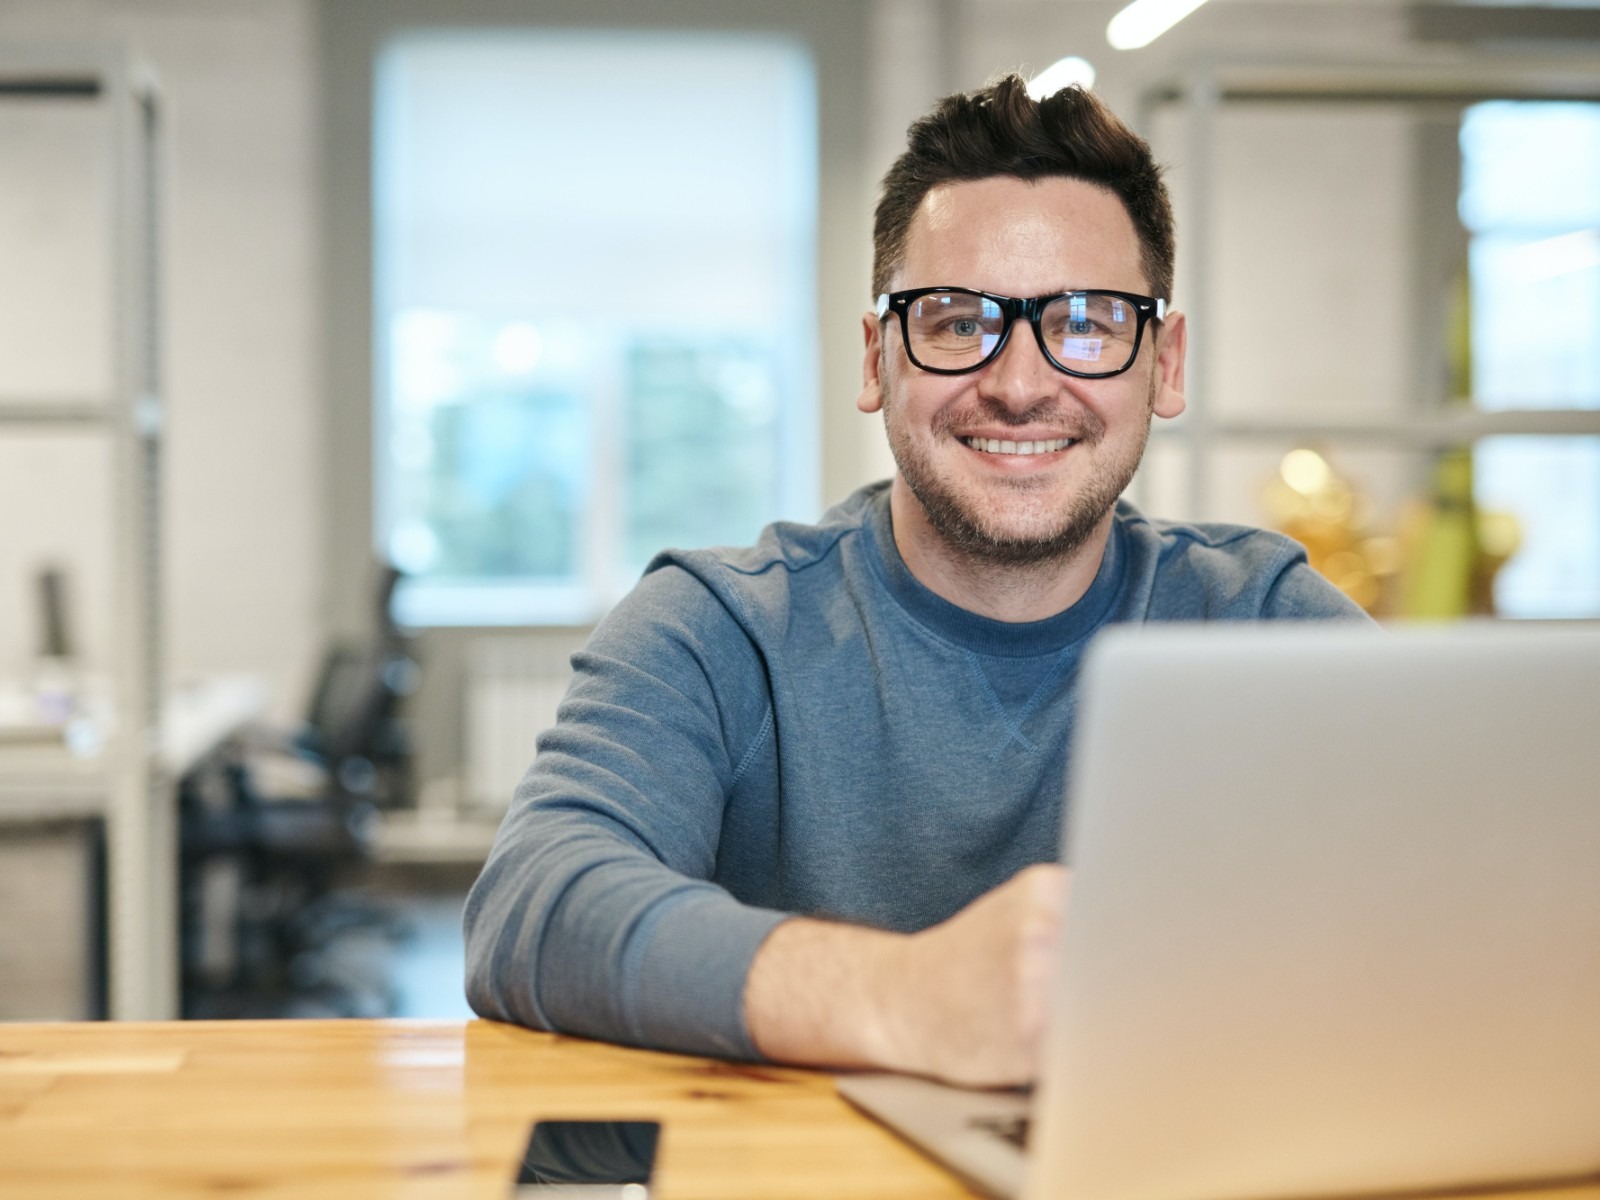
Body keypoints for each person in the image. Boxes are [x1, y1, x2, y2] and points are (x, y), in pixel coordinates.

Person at [464, 74, 1368, 1088]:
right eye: (951, 321)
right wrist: (904, 997)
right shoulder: (719, 629)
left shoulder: (1265, 625)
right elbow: (536, 907)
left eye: (1085, 321)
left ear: (1162, 363)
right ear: (875, 359)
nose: (1021, 385)